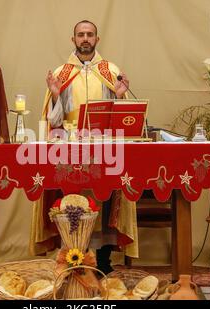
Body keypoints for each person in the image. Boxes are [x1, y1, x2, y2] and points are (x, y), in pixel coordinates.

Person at [29, 20, 139, 274]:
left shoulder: (111, 71)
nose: (85, 39)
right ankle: (71, 255)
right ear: (73, 40)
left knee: (105, 198)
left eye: (90, 34)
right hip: (70, 147)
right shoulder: (61, 73)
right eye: (81, 35)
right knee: (71, 196)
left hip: (104, 147)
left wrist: (120, 95)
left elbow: (122, 117)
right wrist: (56, 95)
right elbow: (54, 121)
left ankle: (102, 260)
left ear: (97, 40)